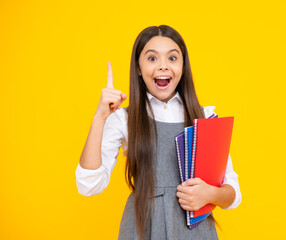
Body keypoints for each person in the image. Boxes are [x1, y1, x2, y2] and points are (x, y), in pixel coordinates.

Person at [75, 25, 242, 240]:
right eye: (152, 58)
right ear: (138, 67)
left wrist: (210, 194)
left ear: (183, 67)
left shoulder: (204, 117)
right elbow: (88, 185)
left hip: (196, 232)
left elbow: (233, 194)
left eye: (172, 58)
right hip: (143, 229)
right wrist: (99, 117)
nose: (163, 66)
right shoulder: (124, 119)